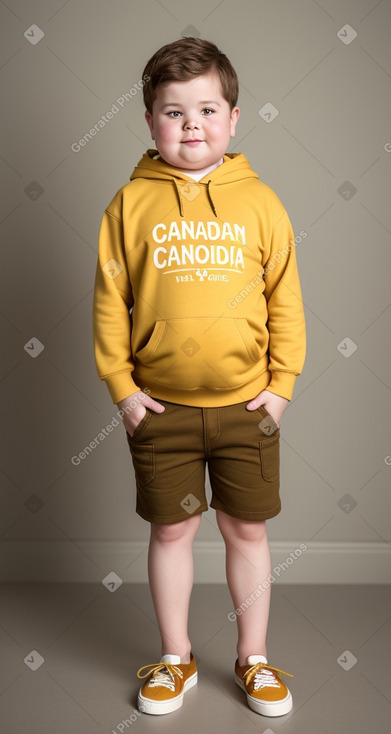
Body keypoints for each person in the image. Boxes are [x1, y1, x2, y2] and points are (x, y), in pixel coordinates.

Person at [92, 37, 306, 718]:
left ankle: (254, 659)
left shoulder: (262, 203)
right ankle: (175, 657)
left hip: (249, 408)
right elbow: (107, 304)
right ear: (149, 120)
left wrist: (282, 385)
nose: (191, 124)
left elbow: (286, 301)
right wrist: (121, 390)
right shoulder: (129, 205)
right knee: (171, 534)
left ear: (234, 118)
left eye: (206, 109)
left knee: (247, 533)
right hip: (161, 412)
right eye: (171, 111)